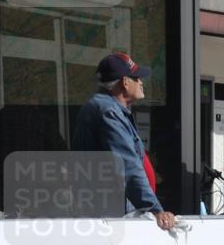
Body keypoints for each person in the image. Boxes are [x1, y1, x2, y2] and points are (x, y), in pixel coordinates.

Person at [72, 52, 176, 230]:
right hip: (111, 217)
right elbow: (127, 166)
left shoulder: (107, 108)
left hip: (106, 212)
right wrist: (156, 210)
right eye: (137, 78)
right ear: (125, 82)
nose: (141, 82)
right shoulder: (108, 111)